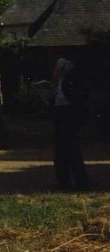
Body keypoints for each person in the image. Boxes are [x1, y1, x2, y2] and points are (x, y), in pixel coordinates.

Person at [51, 57, 90, 191]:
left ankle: (80, 182)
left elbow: (77, 99)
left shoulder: (71, 82)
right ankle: (64, 182)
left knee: (71, 151)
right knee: (62, 152)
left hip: (68, 117)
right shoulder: (58, 83)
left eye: (57, 68)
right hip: (60, 116)